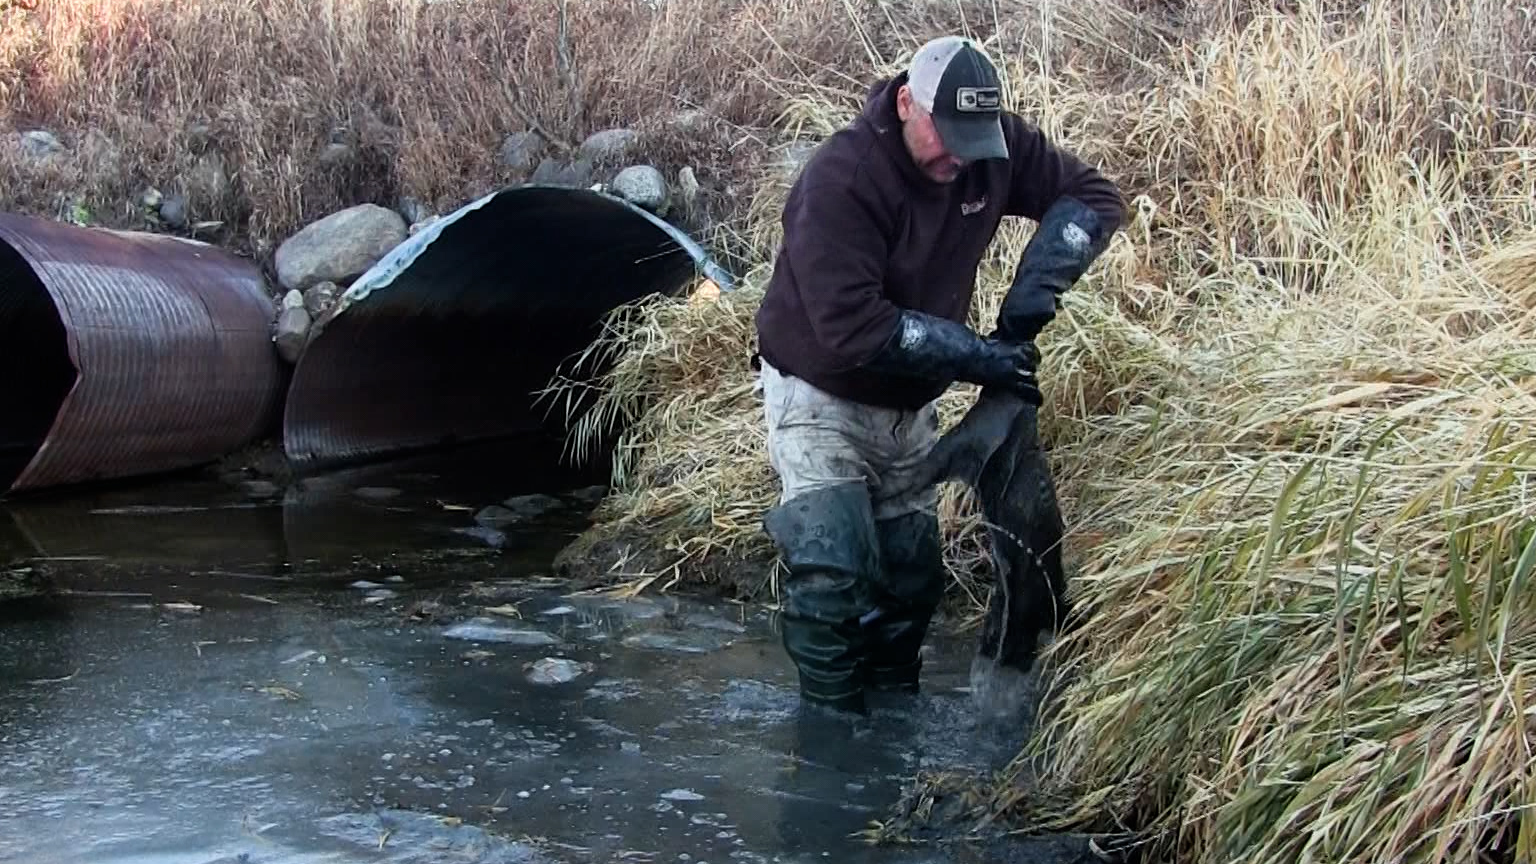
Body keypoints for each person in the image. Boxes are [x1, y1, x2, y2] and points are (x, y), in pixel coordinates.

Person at [752, 35, 1127, 715]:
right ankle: (829, 734)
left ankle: (891, 725)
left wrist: (1025, 311)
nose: (961, 157)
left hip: (910, 405)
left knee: (912, 582)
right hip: (819, 394)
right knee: (835, 571)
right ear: (906, 104)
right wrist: (976, 356)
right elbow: (852, 327)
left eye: (973, 141)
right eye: (948, 137)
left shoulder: (989, 150)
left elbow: (1093, 197)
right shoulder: (843, 178)